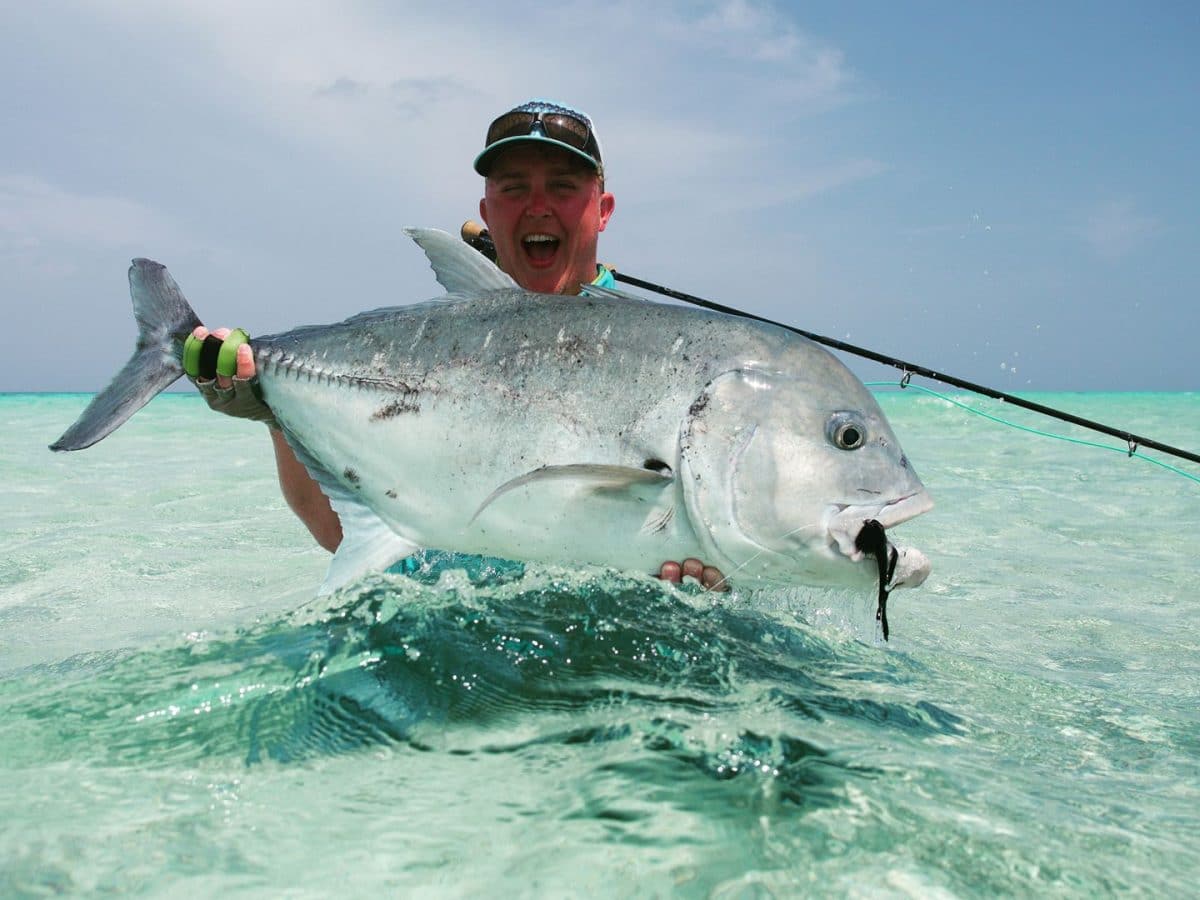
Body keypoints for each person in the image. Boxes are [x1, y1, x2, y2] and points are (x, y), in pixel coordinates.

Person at [193, 99, 726, 590]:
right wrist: (274, 408)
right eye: (514, 188)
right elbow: (339, 532)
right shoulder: (420, 348)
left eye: (563, 187)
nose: (538, 207)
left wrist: (715, 582)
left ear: (603, 209)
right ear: (487, 211)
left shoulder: (675, 361)